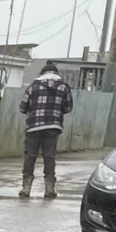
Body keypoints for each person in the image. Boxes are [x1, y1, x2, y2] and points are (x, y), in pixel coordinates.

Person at [18, 61, 73, 199]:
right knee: (49, 156)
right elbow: (68, 108)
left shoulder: (33, 86)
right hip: (53, 126)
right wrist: (56, 111)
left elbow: (22, 107)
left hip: (33, 126)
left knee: (30, 156)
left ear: (43, 73)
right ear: (56, 73)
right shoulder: (64, 86)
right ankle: (49, 189)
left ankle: (26, 188)